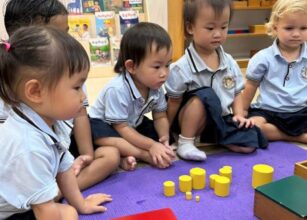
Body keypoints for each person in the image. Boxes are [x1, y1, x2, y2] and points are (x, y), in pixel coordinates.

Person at [3, 0, 121, 191]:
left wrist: (87, 156)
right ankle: (51, 193)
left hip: (60, 142)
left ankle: (57, 190)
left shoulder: (66, 73)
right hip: (26, 164)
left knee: (110, 153)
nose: (68, 41)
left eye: (66, 32)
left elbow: (81, 113)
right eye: (58, 34)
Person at [0, 26, 112, 220]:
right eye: (76, 87)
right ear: (35, 92)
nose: (83, 96)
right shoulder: (28, 146)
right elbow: (45, 213)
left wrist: (82, 204)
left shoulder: (48, 120)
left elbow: (64, 168)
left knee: (68, 209)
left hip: (28, 202)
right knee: (67, 213)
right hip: (11, 212)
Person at [165, 0, 268, 161]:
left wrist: (239, 115)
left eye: (223, 27)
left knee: (250, 143)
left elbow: (236, 93)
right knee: (205, 96)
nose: (218, 34)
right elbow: (173, 102)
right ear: (190, 27)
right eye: (210, 28)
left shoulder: (229, 62)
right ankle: (186, 142)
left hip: (220, 120)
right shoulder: (181, 67)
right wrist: (166, 133)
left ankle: (217, 138)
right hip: (190, 121)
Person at [89, 22, 176, 169]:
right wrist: (151, 146)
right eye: (157, 67)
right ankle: (142, 155)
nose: (164, 73)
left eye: (167, 65)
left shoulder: (156, 87)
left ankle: (125, 158)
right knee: (112, 140)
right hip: (106, 125)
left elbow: (160, 116)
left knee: (155, 134)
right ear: (132, 67)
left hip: (131, 124)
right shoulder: (117, 89)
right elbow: (121, 128)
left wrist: (163, 139)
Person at [243, 0, 307, 143]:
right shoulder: (262, 58)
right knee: (251, 127)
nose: (296, 34)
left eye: (303, 28)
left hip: (301, 110)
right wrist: (242, 112)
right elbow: (250, 87)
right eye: (289, 28)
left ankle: (281, 133)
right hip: (268, 111)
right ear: (275, 27)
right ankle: (297, 136)